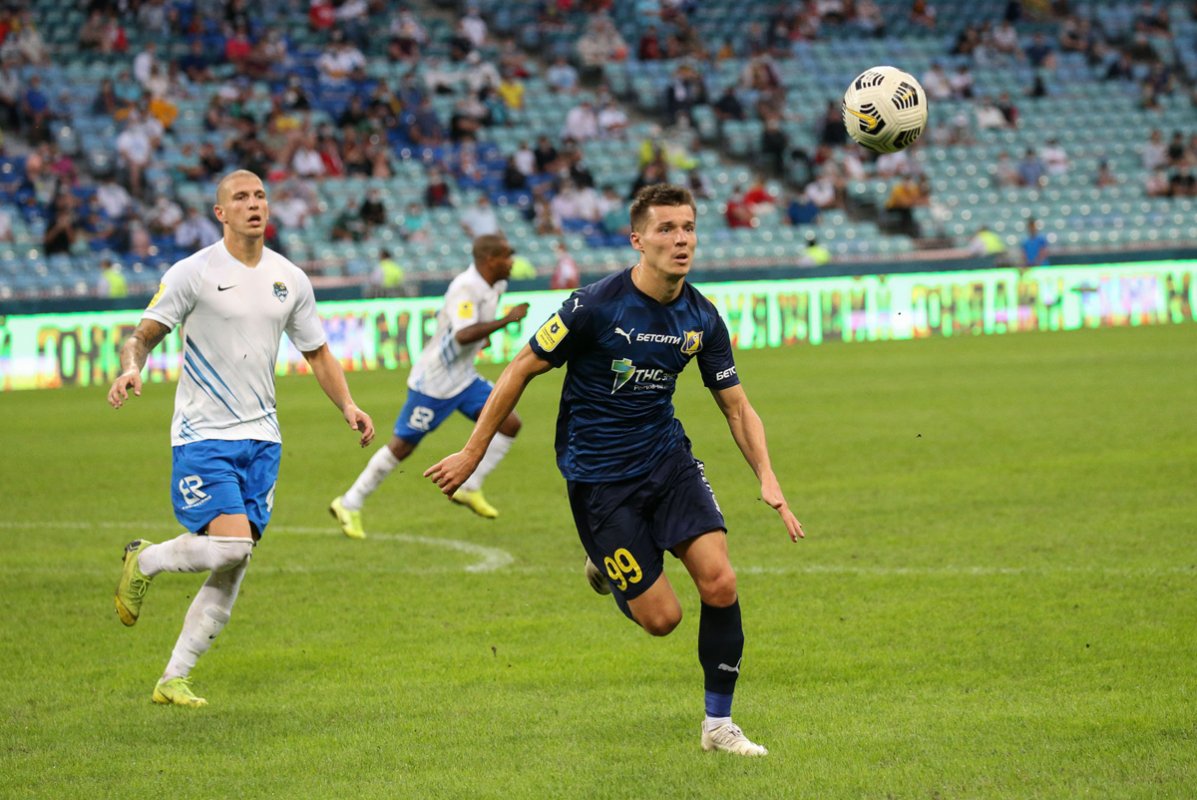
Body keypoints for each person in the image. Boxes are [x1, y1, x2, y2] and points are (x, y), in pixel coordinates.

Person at [425, 184, 804, 757]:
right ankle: (606, 564)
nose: (681, 239)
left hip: (668, 461)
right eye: (666, 229)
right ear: (637, 240)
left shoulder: (702, 316)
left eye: (688, 227)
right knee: (663, 619)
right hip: (600, 478)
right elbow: (520, 368)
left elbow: (736, 405)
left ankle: (718, 725)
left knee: (720, 581)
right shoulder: (594, 306)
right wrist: (473, 451)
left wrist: (767, 476)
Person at [107, 170, 376, 708]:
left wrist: (347, 404)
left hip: (263, 439)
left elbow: (317, 352)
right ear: (220, 212)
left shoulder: (289, 278)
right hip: (203, 435)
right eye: (240, 198)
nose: (253, 204)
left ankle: (173, 678)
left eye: (260, 196)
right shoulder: (194, 272)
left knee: (237, 559)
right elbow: (142, 334)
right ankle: (147, 560)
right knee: (232, 546)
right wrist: (131, 367)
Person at [330, 234, 529, 536]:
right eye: (506, 256)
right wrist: (507, 320)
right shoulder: (466, 287)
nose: (512, 262)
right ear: (490, 260)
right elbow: (462, 334)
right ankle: (349, 502)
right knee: (402, 447)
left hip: (464, 377)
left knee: (509, 423)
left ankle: (470, 486)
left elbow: (463, 328)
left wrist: (483, 339)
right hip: (434, 383)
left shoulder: (496, 285)